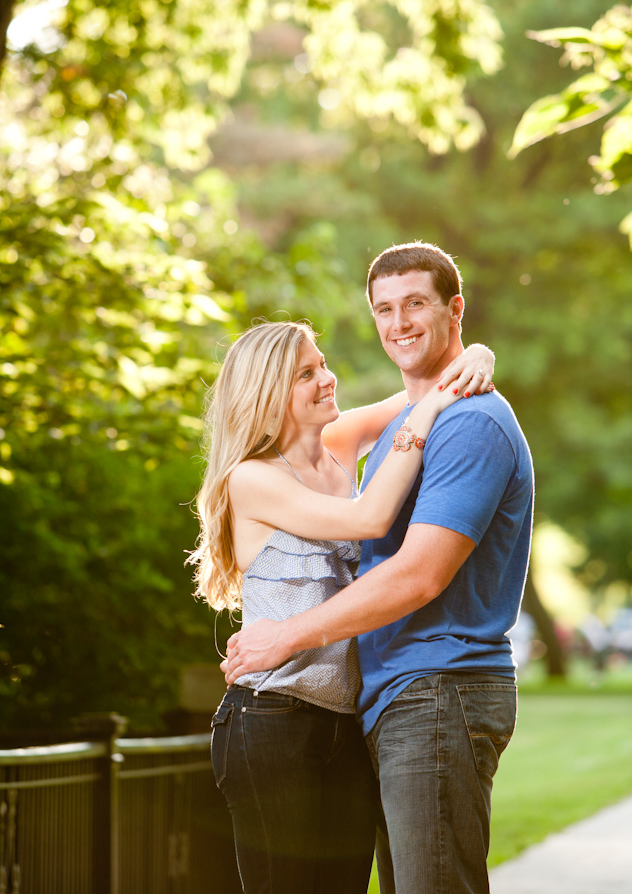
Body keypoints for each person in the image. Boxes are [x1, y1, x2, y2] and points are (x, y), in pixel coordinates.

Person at [223, 242, 535, 894]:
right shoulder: (261, 476)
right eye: (384, 309)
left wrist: (475, 356)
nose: (326, 379)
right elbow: (404, 435)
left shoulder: (388, 437)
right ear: (271, 393)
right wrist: (446, 380)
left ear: (454, 308)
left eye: (415, 304)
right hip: (288, 713)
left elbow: (418, 570)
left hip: (413, 693)